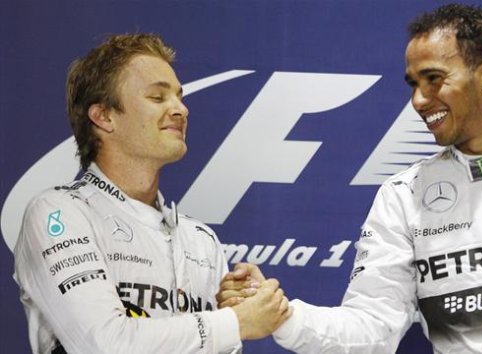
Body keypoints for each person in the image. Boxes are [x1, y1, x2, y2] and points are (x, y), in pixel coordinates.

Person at [218, 4, 482, 353]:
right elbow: (372, 328)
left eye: (434, 79)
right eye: (414, 84)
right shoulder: (403, 196)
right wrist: (284, 315)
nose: (418, 100)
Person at [13, 33, 291, 354]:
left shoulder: (201, 240)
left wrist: (242, 304)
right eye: (158, 98)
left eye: (179, 96)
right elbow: (102, 344)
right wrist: (235, 322)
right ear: (104, 116)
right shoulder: (58, 213)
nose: (181, 109)